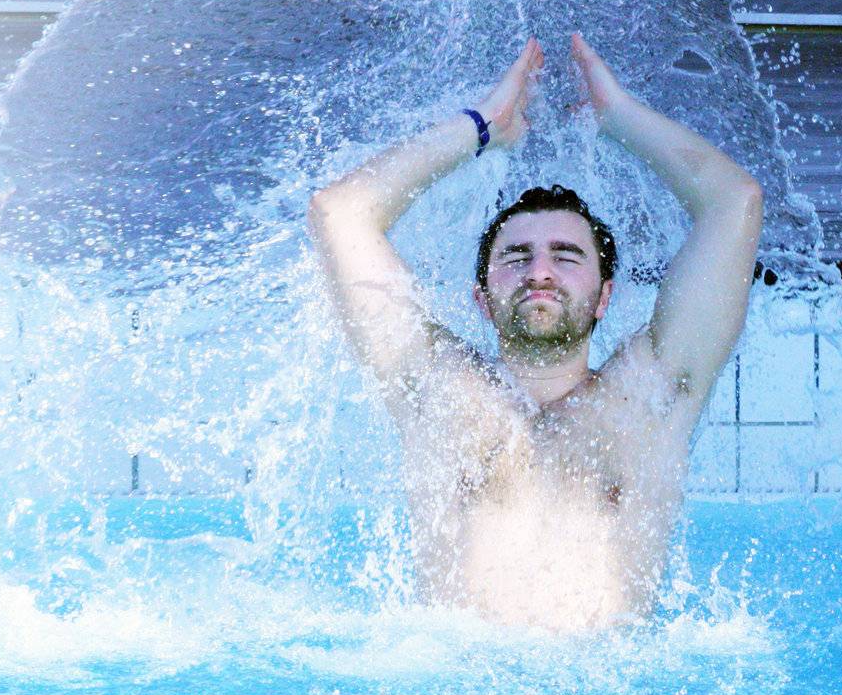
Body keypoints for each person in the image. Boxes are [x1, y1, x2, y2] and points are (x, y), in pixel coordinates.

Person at [308, 34, 763, 634]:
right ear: (482, 298)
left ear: (605, 297)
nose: (540, 271)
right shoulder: (438, 391)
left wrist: (622, 119)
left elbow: (735, 201)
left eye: (566, 257)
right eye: (516, 256)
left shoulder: (649, 397)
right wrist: (483, 126)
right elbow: (339, 213)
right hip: (463, 692)